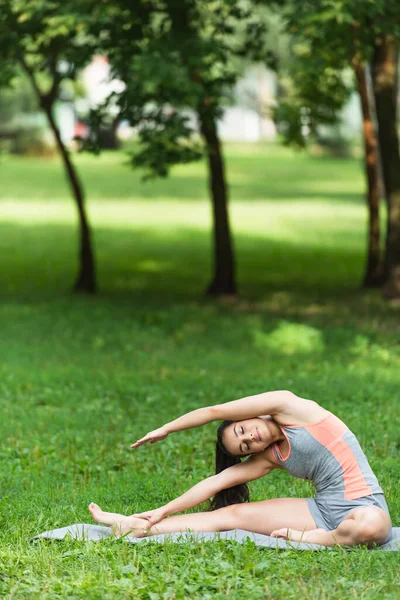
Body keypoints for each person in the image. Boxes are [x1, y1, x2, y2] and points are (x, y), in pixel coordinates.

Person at [88, 390, 392, 547]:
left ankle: (317, 540)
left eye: (242, 430)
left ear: (251, 416)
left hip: (363, 506)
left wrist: (167, 428)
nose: (249, 438)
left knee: (373, 527)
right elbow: (216, 483)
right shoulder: (269, 457)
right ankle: (134, 527)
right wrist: (161, 512)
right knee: (228, 515)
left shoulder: (291, 407)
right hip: (322, 512)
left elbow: (214, 412)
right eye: (245, 446)